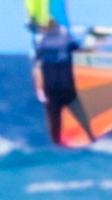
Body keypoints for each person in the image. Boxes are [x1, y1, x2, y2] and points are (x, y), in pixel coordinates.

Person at [31, 13, 93, 148]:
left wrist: (34, 27)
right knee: (82, 118)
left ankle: (57, 145)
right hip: (66, 88)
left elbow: (36, 57)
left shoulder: (42, 41)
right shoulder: (65, 39)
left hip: (53, 89)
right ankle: (91, 138)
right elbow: (78, 48)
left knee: (55, 122)